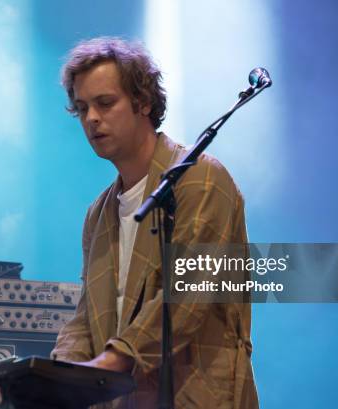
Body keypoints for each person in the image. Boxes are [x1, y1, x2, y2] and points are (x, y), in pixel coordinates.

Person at [50, 37, 259, 409]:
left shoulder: (202, 181)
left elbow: (189, 298)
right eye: (82, 109)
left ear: (143, 102)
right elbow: (87, 316)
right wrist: (58, 374)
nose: (92, 119)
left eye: (105, 103)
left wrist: (114, 359)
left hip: (196, 398)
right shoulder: (98, 214)